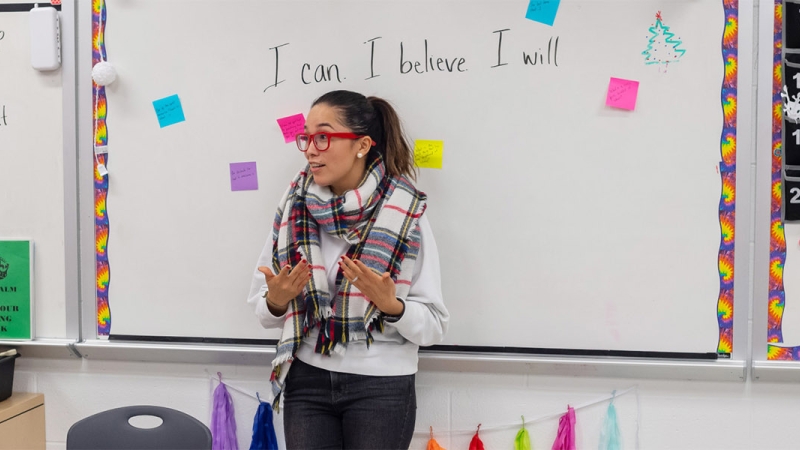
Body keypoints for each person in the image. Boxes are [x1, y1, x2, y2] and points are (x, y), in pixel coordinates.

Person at [247, 90, 449, 450]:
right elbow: (263, 309)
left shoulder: (404, 214)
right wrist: (276, 301)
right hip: (307, 378)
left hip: (381, 386)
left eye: (323, 136)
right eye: (306, 137)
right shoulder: (294, 208)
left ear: (362, 145)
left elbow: (434, 324)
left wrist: (392, 306)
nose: (310, 148)